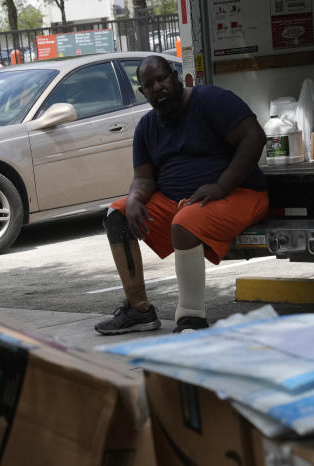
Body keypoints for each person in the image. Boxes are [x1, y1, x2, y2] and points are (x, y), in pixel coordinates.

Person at [94, 55, 268, 335]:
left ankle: (192, 319)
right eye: (149, 85)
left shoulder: (212, 100)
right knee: (117, 214)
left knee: (185, 222)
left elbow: (254, 137)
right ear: (143, 93)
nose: (158, 87)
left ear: (176, 76)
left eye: (162, 79)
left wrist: (222, 185)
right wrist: (135, 199)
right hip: (184, 204)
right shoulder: (147, 126)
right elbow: (143, 177)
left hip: (239, 193)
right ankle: (139, 310)